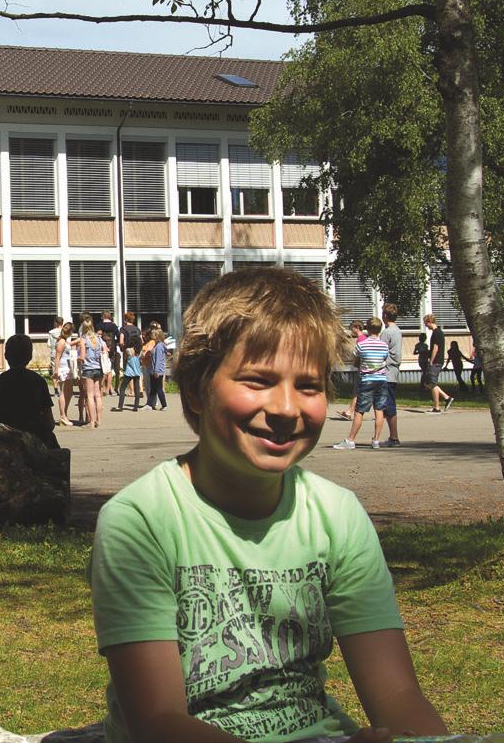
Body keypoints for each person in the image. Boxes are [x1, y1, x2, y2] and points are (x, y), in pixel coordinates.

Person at [89, 266, 449, 743]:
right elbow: (158, 722)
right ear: (195, 390)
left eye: (308, 385)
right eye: (257, 380)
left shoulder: (336, 515)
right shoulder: (141, 522)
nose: (285, 408)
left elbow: (399, 695)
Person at [0, 334, 60, 450]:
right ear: (30, 356)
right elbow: (49, 423)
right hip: (35, 441)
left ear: (6, 355)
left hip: (8, 443)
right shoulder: (38, 382)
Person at [333, 317, 391, 449]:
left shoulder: (362, 344)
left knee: (360, 411)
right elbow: (384, 358)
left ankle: (350, 440)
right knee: (379, 410)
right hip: (382, 379)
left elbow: (356, 357)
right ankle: (376, 440)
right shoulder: (384, 345)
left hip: (367, 379)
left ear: (368, 329)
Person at [379, 303, 405, 447]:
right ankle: (392, 436)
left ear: (385, 316)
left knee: (388, 404)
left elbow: (381, 352)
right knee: (389, 402)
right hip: (394, 370)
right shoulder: (398, 331)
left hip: (387, 371)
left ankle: (394, 437)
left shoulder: (387, 332)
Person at [80, 316, 106, 429]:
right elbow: (105, 351)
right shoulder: (99, 339)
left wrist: (76, 360)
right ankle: (99, 420)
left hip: (88, 369)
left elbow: (82, 356)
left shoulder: (83, 339)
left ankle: (91, 422)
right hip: (98, 369)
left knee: (90, 396)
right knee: (98, 396)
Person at [417, 332, 453, 412]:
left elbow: (435, 347)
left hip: (435, 362)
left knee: (431, 383)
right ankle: (446, 398)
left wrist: (431, 361)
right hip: (435, 362)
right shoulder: (438, 333)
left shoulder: (436, 334)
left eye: (426, 323)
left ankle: (437, 407)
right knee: (427, 383)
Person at [55, 322, 79, 426]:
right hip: (63, 369)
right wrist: (56, 371)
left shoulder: (65, 341)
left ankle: (65, 414)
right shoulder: (61, 341)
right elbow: (57, 357)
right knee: (64, 392)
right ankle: (63, 416)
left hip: (67, 368)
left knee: (69, 392)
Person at [143, 329, 169, 412]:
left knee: (158, 388)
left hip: (157, 370)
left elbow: (158, 360)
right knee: (153, 388)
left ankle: (164, 405)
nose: (152, 336)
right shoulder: (157, 345)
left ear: (157, 336)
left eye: (153, 334)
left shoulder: (159, 346)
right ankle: (149, 404)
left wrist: (156, 371)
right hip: (154, 370)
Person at [118, 345, 143, 412]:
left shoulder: (128, 350)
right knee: (137, 389)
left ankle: (120, 406)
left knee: (122, 388)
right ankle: (135, 407)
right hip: (137, 371)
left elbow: (125, 358)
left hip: (129, 371)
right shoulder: (139, 350)